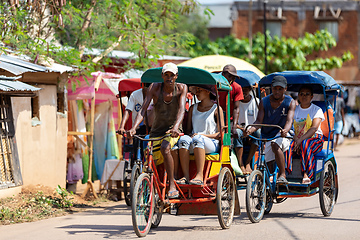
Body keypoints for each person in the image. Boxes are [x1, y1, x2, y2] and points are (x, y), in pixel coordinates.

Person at [128, 62, 187, 199]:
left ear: (176, 76)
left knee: (165, 148)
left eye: (171, 75)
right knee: (147, 154)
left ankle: (172, 184)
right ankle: (147, 185)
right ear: (162, 75)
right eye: (166, 75)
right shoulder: (154, 87)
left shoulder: (182, 88)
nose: (169, 78)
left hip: (173, 130)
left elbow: (181, 109)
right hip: (156, 130)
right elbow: (143, 109)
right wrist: (134, 127)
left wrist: (176, 127)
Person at [245, 75, 296, 184]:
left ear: (285, 89)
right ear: (271, 88)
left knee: (275, 144)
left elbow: (289, 121)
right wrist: (250, 130)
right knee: (266, 161)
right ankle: (268, 186)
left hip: (283, 134)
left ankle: (282, 175)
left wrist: (285, 130)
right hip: (267, 135)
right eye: (275, 88)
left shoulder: (290, 102)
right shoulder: (264, 101)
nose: (277, 91)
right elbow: (259, 121)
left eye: (280, 89)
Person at [176, 85, 224, 185]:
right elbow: (188, 130)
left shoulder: (217, 109)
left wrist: (201, 135)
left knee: (198, 139)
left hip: (211, 143)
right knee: (183, 139)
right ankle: (185, 176)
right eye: (196, 90)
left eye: (199, 90)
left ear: (208, 92)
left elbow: (220, 134)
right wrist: (191, 135)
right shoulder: (193, 108)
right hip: (195, 141)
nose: (197, 93)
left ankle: (200, 175)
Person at [286, 86, 325, 184]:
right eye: (302, 94)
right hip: (297, 138)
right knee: (286, 145)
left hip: (315, 139)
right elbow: (291, 128)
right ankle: (285, 172)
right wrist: (296, 139)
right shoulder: (294, 110)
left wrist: (300, 140)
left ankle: (306, 174)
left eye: (307, 94)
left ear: (311, 96)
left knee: (305, 144)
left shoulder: (317, 110)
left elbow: (314, 128)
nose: (304, 96)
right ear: (298, 96)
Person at [233, 85, 260, 175]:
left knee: (258, 132)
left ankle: (248, 162)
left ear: (249, 89)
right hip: (240, 129)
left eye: (245, 90)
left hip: (253, 129)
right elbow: (234, 122)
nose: (243, 92)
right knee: (237, 132)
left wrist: (250, 130)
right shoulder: (236, 102)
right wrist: (242, 129)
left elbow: (259, 121)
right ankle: (241, 164)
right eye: (241, 90)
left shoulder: (256, 102)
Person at [219, 64, 244, 137]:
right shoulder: (215, 86)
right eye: (229, 76)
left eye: (234, 78)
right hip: (215, 119)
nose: (231, 80)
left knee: (237, 134)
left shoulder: (237, 87)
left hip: (230, 120)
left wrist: (234, 126)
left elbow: (236, 108)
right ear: (223, 75)